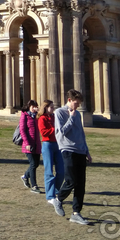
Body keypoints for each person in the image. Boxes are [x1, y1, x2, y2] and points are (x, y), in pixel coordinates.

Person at [54, 89, 92, 224]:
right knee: (71, 180)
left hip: (80, 150)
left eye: (79, 104)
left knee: (81, 184)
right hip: (68, 149)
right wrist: (71, 117)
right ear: (69, 100)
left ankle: (76, 212)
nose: (77, 107)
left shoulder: (78, 115)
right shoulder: (59, 112)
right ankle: (58, 199)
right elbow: (61, 132)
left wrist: (86, 150)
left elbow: (81, 134)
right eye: (76, 103)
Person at [38, 99, 65, 210]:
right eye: (51, 107)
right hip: (47, 144)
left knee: (62, 171)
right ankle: (50, 196)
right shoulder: (42, 118)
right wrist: (55, 129)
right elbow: (44, 132)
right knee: (49, 171)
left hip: (57, 144)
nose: (53, 109)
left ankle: (55, 190)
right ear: (46, 108)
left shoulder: (55, 117)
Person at [19, 99, 41, 193]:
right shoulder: (25, 115)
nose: (33, 109)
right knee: (33, 164)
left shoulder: (37, 116)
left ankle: (25, 176)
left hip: (37, 144)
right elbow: (22, 130)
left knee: (36, 164)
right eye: (32, 107)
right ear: (29, 107)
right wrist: (27, 143)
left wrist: (40, 111)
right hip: (28, 144)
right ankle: (34, 185)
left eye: (35, 107)